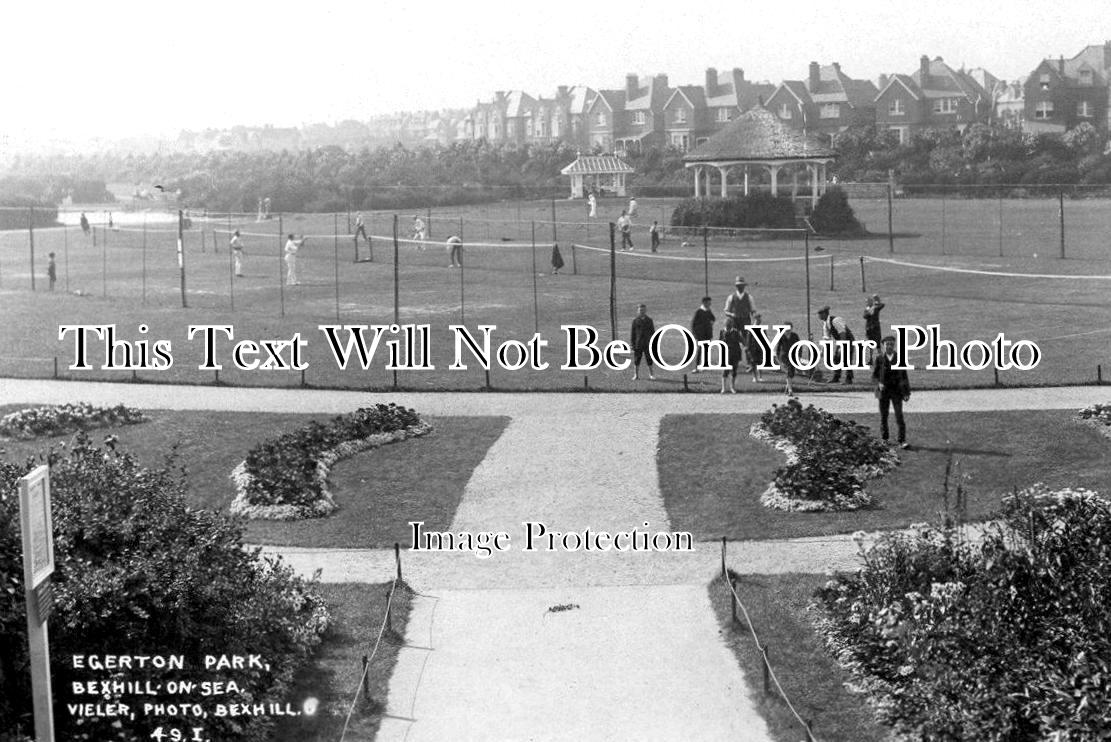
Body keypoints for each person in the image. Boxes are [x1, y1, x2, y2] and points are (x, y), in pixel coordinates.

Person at [873, 335, 911, 449]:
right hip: (883, 391)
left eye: (891, 344)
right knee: (884, 416)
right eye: (887, 344)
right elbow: (874, 376)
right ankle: (885, 439)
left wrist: (906, 392)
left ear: (894, 345)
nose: (889, 346)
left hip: (896, 391)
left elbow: (904, 376)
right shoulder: (879, 359)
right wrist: (878, 383)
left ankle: (902, 440)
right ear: (883, 346)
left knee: (899, 416)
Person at [723, 276, 756, 368]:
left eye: (741, 285)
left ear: (744, 286)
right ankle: (732, 361)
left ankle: (749, 363)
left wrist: (754, 319)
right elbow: (726, 311)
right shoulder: (731, 297)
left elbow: (753, 310)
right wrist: (732, 315)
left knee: (747, 342)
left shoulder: (749, 297)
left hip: (745, 321)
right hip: (734, 322)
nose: (740, 287)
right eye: (738, 285)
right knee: (732, 341)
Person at [818, 305, 855, 384]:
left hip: (847, 340)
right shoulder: (825, 324)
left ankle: (849, 379)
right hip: (841, 341)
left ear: (825, 314)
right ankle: (836, 377)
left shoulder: (835, 320)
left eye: (820, 314)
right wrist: (822, 351)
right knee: (837, 359)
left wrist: (842, 347)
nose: (819, 315)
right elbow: (826, 338)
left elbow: (843, 333)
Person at [630, 303, 655, 381]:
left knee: (649, 359)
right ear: (638, 311)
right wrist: (632, 344)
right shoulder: (635, 321)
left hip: (648, 344)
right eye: (640, 310)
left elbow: (653, 333)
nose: (642, 311)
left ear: (646, 310)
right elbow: (632, 333)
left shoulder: (649, 320)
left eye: (643, 310)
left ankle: (651, 375)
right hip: (638, 344)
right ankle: (636, 375)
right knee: (637, 360)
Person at [690, 296, 715, 373]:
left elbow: (713, 318)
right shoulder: (699, 311)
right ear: (704, 302)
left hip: (708, 334)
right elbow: (693, 323)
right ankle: (697, 367)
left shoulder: (708, 310)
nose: (710, 304)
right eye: (708, 302)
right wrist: (694, 334)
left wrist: (711, 322)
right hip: (700, 335)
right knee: (700, 350)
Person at [719, 317, 743, 393]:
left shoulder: (735, 332)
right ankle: (723, 388)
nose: (728, 326)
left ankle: (732, 387)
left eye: (729, 325)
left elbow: (741, 341)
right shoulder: (722, 332)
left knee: (734, 371)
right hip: (726, 354)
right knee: (725, 371)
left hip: (735, 353)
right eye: (727, 325)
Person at [777, 321, 801, 396]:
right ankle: (790, 390)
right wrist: (778, 359)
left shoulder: (795, 336)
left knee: (792, 373)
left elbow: (799, 346)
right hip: (784, 356)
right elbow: (778, 348)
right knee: (789, 370)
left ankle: (786, 389)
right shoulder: (781, 336)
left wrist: (799, 356)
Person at [863, 294, 885, 364]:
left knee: (878, 345)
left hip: (876, 329)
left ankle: (882, 360)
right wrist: (869, 311)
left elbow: (882, 305)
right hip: (869, 329)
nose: (867, 303)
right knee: (870, 345)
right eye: (866, 302)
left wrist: (877, 300)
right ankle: (870, 360)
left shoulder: (876, 307)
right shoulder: (867, 309)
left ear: (871, 302)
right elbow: (864, 316)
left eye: (868, 302)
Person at [747, 313, 765, 383]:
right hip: (753, 348)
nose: (760, 320)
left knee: (760, 362)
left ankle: (760, 377)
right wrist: (748, 348)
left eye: (760, 319)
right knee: (753, 363)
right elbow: (748, 339)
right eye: (758, 319)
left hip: (760, 347)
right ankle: (755, 377)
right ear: (755, 319)